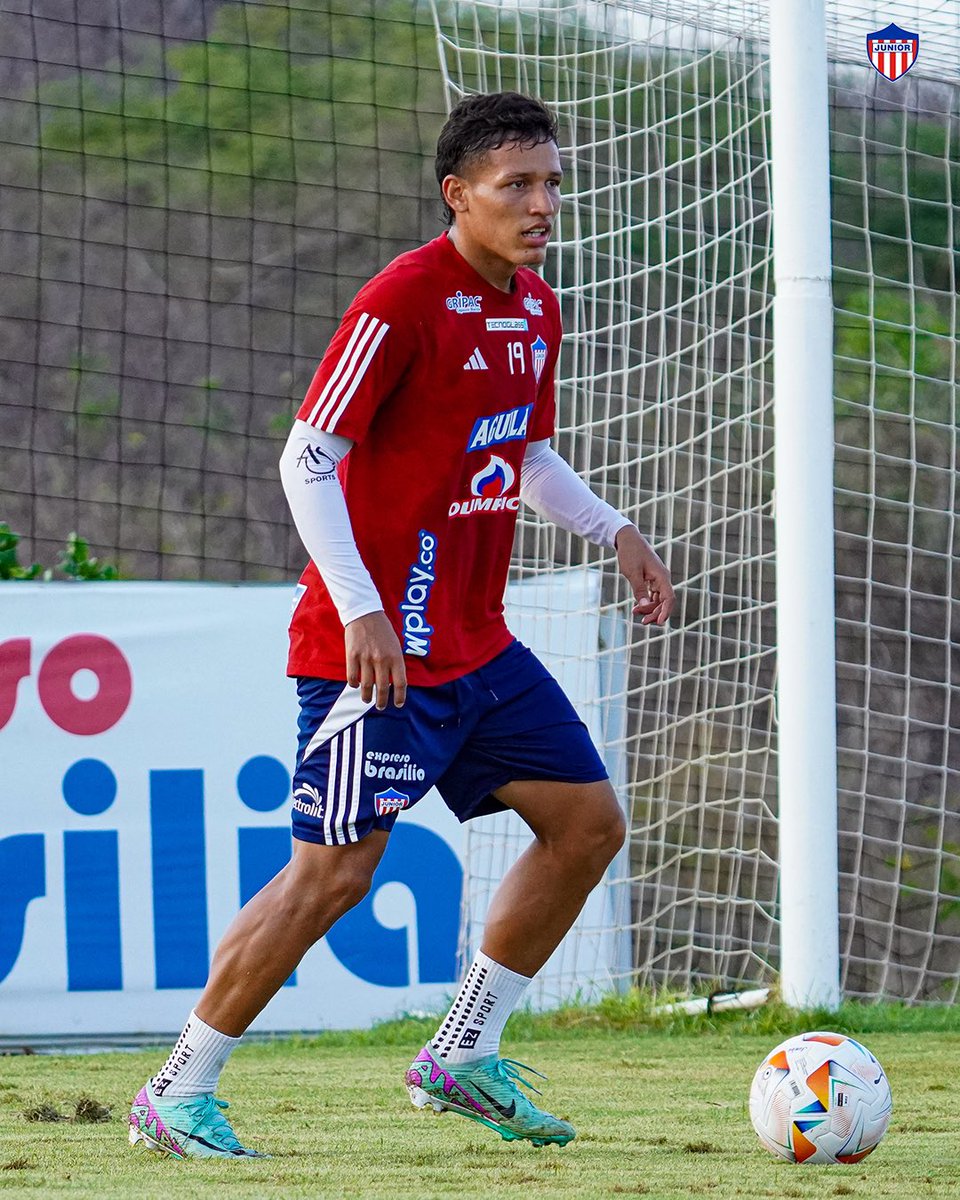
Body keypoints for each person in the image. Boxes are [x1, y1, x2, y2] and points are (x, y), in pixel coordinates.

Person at [128, 90, 673, 1160]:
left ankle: (462, 1054)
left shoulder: (535, 307)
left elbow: (519, 451)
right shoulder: (400, 301)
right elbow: (307, 458)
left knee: (588, 825)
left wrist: (613, 530)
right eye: (517, 184)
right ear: (456, 195)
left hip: (478, 646)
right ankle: (175, 1089)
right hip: (368, 657)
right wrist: (366, 610)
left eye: (551, 181)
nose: (541, 202)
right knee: (332, 872)